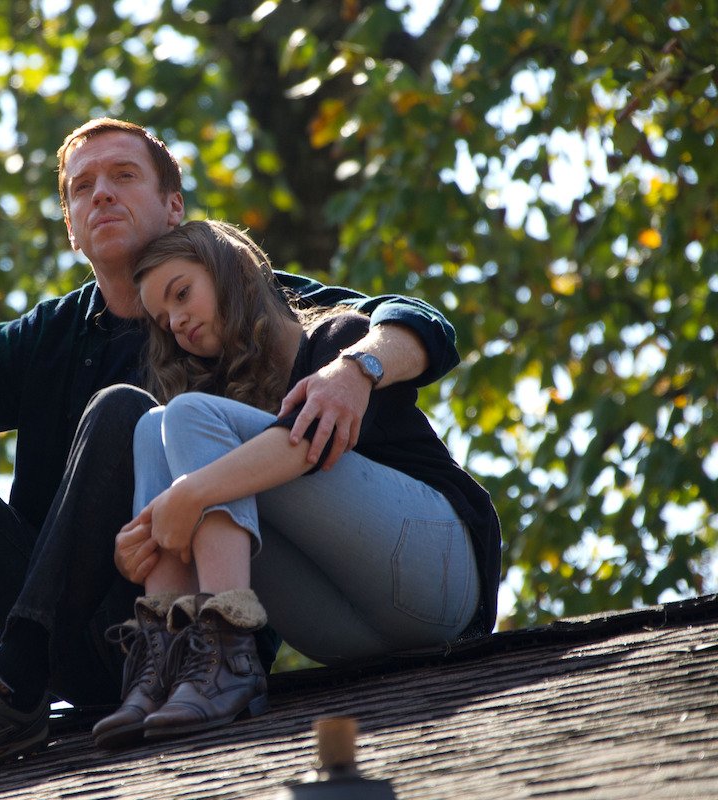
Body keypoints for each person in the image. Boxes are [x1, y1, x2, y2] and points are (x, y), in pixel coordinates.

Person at [0, 119, 469, 789]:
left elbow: (417, 324)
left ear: (174, 206)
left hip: (184, 628)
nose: (101, 194)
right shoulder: (46, 339)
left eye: (123, 176)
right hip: (58, 628)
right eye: (81, 187)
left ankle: (26, 683)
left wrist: (356, 368)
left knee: (126, 412)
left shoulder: (241, 297)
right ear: (71, 228)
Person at [90, 220, 500, 747]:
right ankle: (170, 660)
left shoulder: (340, 342)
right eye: (164, 319)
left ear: (229, 270)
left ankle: (227, 648)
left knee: (188, 416)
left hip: (438, 576)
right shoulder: (221, 403)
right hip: (349, 634)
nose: (177, 321)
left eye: (182, 293)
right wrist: (147, 545)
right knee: (153, 424)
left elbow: (309, 446)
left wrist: (189, 495)